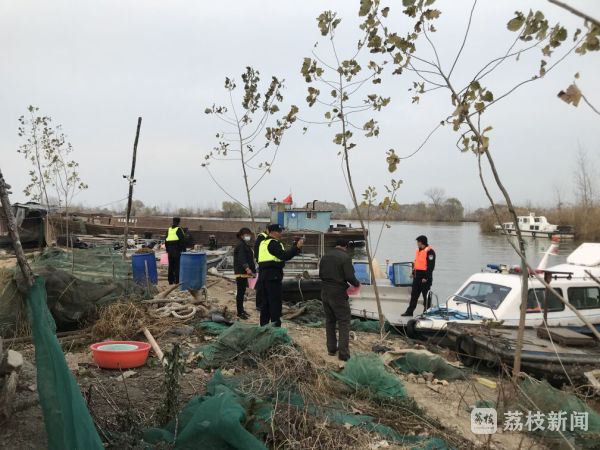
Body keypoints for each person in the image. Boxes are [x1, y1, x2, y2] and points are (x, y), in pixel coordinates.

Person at [318, 238, 360, 361]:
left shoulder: (325, 256)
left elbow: (320, 274)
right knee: (344, 321)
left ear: (336, 245)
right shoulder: (345, 257)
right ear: (345, 246)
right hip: (338, 292)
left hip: (324, 290)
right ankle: (343, 354)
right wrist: (357, 284)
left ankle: (331, 349)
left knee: (330, 320)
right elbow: (350, 277)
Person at [257, 224, 304, 327]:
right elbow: (284, 256)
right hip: (273, 276)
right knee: (275, 302)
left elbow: (279, 255)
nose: (281, 233)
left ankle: (264, 325)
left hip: (264, 276)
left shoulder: (264, 243)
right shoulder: (274, 243)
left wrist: (294, 247)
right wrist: (297, 247)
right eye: (279, 231)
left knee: (265, 302)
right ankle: (276, 326)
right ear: (273, 232)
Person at [402, 235, 435, 316]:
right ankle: (409, 312)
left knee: (426, 296)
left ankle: (426, 312)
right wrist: (413, 272)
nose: (417, 243)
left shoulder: (430, 252)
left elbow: (431, 266)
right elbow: (417, 264)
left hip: (425, 278)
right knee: (414, 295)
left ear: (421, 242)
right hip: (417, 277)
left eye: (418, 242)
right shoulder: (419, 251)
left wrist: (426, 277)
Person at [233, 227, 256, 320]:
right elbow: (242, 258)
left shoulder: (244, 244)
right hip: (241, 272)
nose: (248, 236)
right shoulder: (241, 245)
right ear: (241, 236)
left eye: (249, 234)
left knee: (242, 292)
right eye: (246, 235)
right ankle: (240, 312)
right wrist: (247, 268)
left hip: (243, 272)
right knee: (240, 292)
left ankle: (241, 310)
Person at [165, 217, 186, 285]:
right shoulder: (179, 229)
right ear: (179, 222)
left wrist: (167, 250)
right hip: (176, 250)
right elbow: (182, 241)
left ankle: (170, 281)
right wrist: (184, 250)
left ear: (173, 221)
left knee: (171, 266)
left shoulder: (169, 230)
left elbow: (166, 240)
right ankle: (177, 281)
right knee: (177, 266)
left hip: (170, 250)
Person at [253, 226, 270, 311]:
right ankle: (259, 304)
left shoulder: (267, 237)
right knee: (261, 284)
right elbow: (256, 249)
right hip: (263, 264)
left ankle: (263, 303)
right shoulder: (262, 237)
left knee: (265, 284)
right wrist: (259, 261)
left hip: (266, 264)